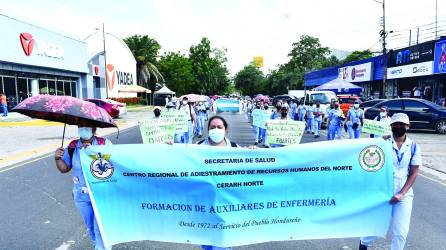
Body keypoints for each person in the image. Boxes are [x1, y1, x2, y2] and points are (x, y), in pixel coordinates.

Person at [359, 113, 422, 250]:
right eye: (395, 124)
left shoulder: (414, 147)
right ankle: (363, 245)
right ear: (391, 126)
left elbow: (414, 173)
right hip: (382, 191)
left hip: (403, 194)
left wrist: (401, 194)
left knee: (401, 233)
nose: (398, 126)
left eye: (401, 124)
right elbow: (369, 163)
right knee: (373, 230)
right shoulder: (383, 143)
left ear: (408, 126)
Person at [54, 127, 112, 250]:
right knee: (91, 227)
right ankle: (101, 245)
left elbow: (114, 164)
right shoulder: (73, 146)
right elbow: (64, 168)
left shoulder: (104, 143)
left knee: (100, 228)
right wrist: (57, 158)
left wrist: (92, 152)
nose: (83, 128)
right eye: (80, 125)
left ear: (93, 128)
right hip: (81, 195)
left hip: (101, 194)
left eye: (86, 125)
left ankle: (101, 247)